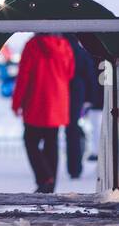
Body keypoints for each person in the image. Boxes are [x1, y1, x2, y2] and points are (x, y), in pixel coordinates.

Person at [11, 32, 74, 193]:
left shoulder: (32, 45)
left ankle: (44, 177)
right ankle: (50, 184)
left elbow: (23, 75)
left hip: (36, 100)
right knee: (51, 142)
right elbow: (70, 72)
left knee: (30, 141)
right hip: (58, 101)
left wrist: (17, 102)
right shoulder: (64, 45)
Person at [64, 35, 100, 179]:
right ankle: (75, 168)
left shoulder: (61, 49)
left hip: (59, 89)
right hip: (77, 92)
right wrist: (90, 98)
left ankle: (48, 168)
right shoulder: (81, 52)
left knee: (51, 132)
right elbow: (90, 77)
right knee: (72, 129)